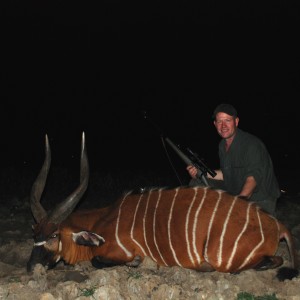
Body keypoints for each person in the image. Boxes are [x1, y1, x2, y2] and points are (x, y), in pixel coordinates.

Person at [186, 103, 281, 216]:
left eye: (227, 120)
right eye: (220, 121)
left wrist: (236, 206)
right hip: (236, 190)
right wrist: (200, 172)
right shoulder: (222, 145)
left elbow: (252, 180)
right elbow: (226, 174)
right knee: (197, 182)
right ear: (215, 124)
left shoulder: (251, 144)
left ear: (236, 121)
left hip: (261, 199)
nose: (223, 125)